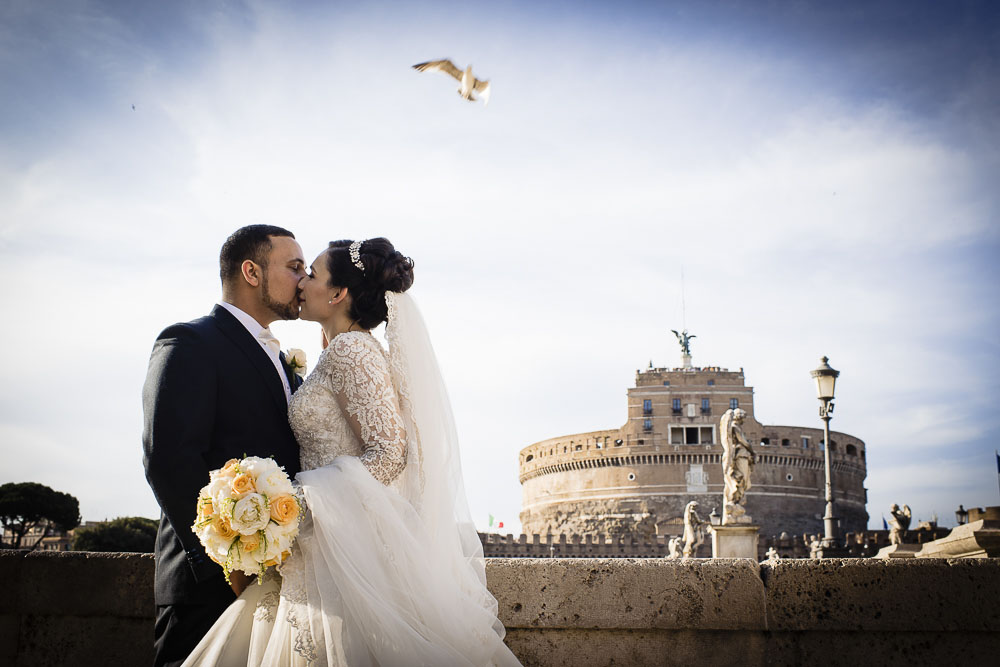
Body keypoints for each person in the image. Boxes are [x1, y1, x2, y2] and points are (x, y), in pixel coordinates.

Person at [184, 238, 520, 666]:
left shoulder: (351, 350)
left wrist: (294, 501)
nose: (303, 282)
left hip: (337, 547)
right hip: (325, 543)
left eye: (313, 274)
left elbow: (388, 453)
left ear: (339, 293)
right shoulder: (343, 350)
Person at [143, 225, 307, 667]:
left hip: (279, 588)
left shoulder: (283, 361)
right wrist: (224, 564)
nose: (305, 279)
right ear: (251, 271)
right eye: (294, 267)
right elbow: (168, 459)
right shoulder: (190, 342)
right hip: (205, 589)